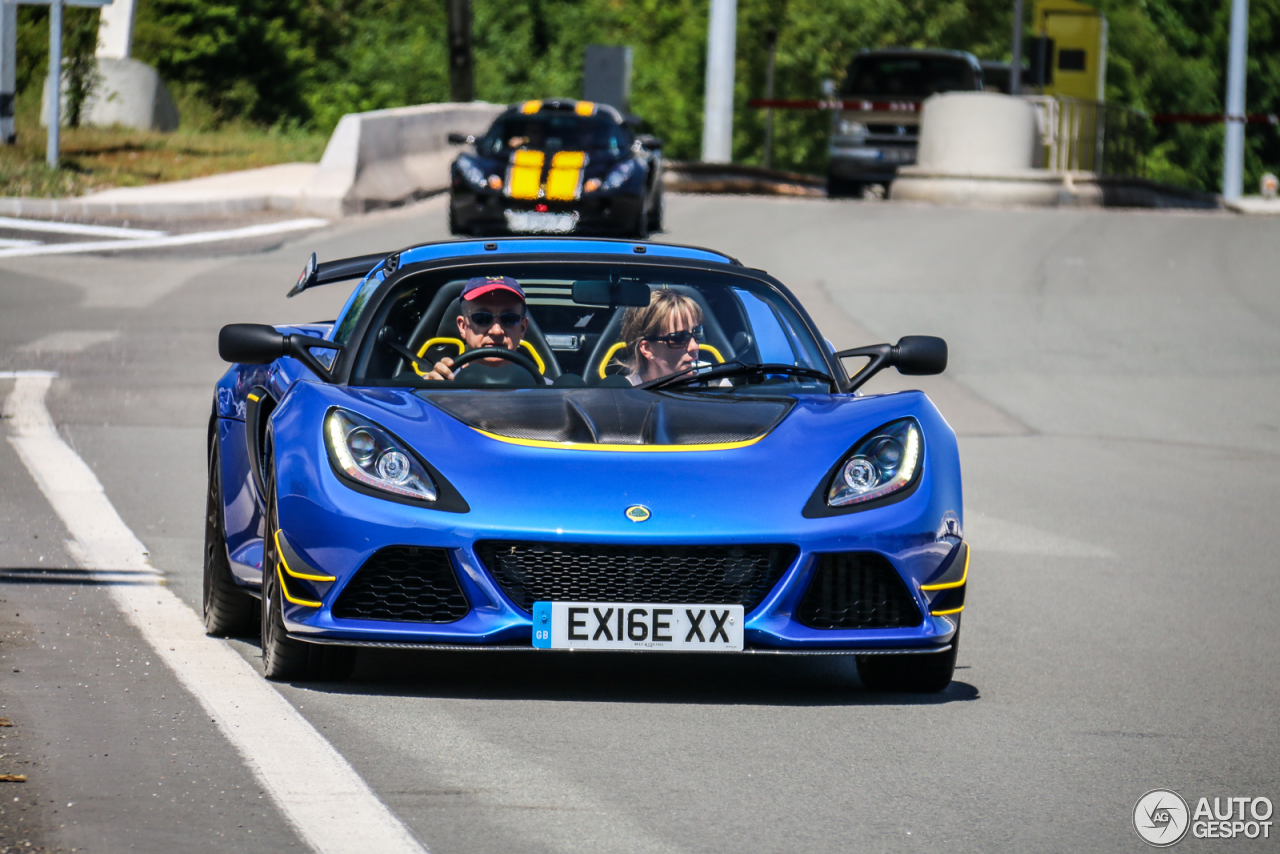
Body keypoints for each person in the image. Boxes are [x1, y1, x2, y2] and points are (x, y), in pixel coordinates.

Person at [425, 275, 532, 381]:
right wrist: (429, 392)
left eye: (509, 318)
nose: (496, 331)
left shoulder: (545, 391)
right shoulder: (437, 385)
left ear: (523, 328)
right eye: (482, 318)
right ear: (463, 326)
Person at [613, 289, 706, 385]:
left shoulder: (716, 387)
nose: (695, 346)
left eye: (697, 333)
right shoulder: (621, 395)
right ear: (647, 349)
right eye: (679, 338)